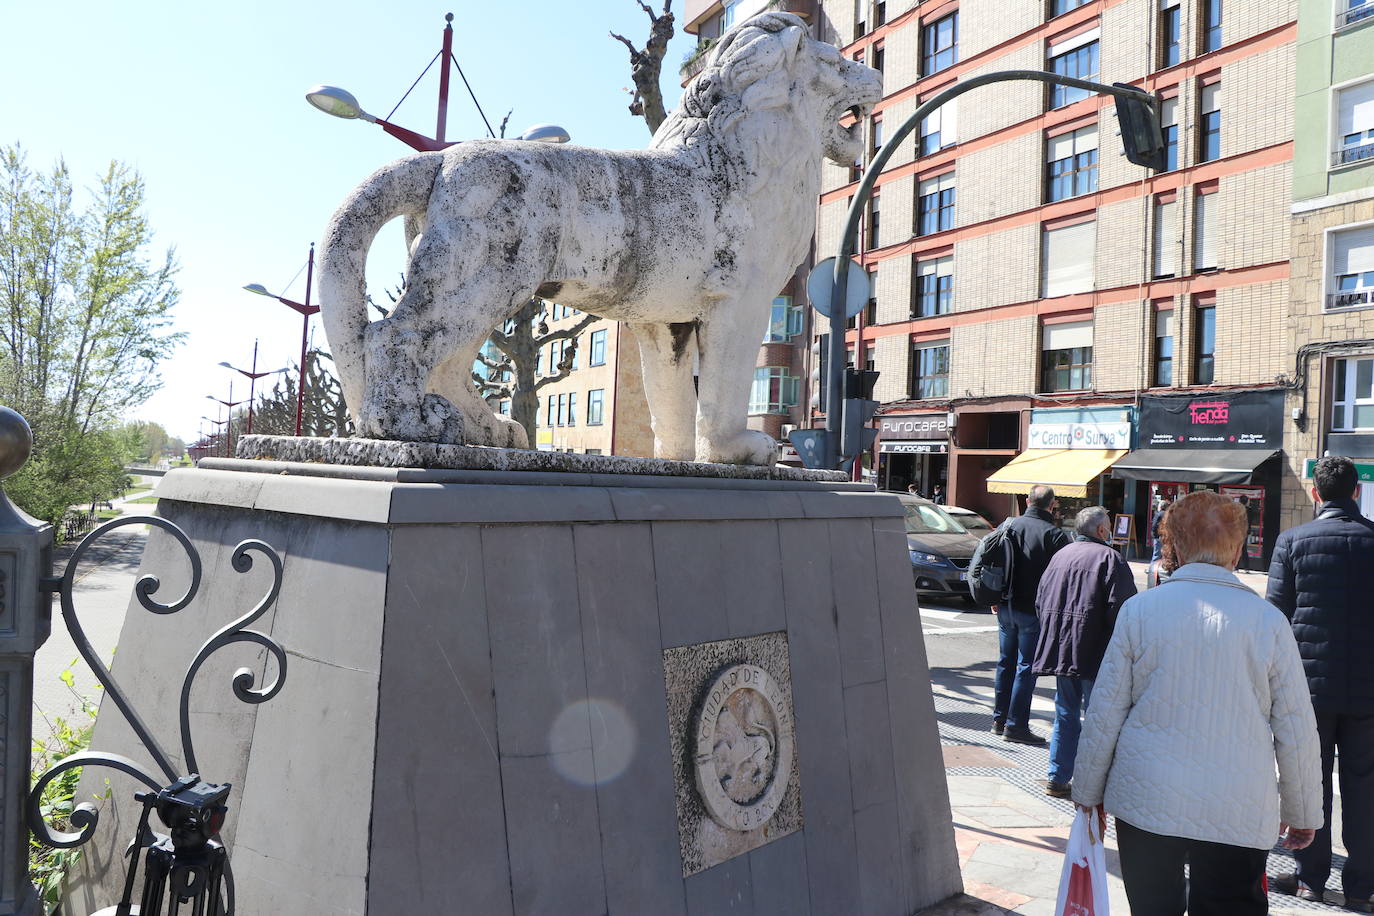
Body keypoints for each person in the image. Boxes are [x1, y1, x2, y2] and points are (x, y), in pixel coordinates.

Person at [1073, 490, 1321, 915]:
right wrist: (1303, 811)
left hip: (1147, 796)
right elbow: (1296, 727)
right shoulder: (1268, 622)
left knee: (1153, 906)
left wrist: (1087, 791)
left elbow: (1105, 711)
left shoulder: (1140, 611)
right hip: (1238, 802)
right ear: (1238, 549)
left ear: (1175, 545)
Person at [1267, 456, 1374, 910]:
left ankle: (1311, 878)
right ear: (1356, 492)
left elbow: (1274, 616)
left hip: (1308, 689)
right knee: (1365, 786)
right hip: (1368, 689)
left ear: (1316, 493)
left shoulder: (1292, 541)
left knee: (1311, 782)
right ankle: (1363, 888)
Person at [1031, 506, 1136, 798]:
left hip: (1062, 647)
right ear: (1101, 531)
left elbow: (1041, 600)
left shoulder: (1060, 555)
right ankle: (1092, 781)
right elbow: (1124, 609)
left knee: (1065, 711)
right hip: (1095, 650)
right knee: (1097, 716)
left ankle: (1058, 775)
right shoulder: (1110, 558)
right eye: (1109, 526)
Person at [991, 484, 1072, 746]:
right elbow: (1062, 578)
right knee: (1026, 668)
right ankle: (1015, 726)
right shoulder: (1055, 535)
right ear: (1052, 504)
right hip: (1034, 610)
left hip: (1005, 605)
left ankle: (999, 720)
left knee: (1006, 662)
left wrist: (994, 596)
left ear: (1027, 501)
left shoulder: (1008, 526)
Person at [1148, 498, 1170, 587]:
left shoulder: (1159, 514)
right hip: (1164, 536)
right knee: (1162, 553)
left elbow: (1153, 525)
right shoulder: (1166, 515)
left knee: (1156, 554)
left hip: (1158, 537)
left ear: (1160, 506)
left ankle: (1152, 570)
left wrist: (1154, 535)